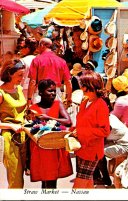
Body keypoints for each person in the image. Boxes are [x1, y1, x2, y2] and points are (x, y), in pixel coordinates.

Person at [28, 79, 73, 188]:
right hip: (39, 149)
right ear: (41, 93)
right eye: (50, 91)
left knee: (52, 181)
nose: (53, 94)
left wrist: (48, 118)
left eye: (54, 91)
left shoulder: (58, 104)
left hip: (54, 148)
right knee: (44, 180)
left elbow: (68, 121)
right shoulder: (33, 108)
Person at [70, 71, 110, 188]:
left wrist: (81, 132)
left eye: (83, 85)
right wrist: (73, 130)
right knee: (87, 183)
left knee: (79, 185)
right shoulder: (85, 102)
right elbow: (82, 123)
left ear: (91, 86)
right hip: (82, 148)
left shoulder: (101, 105)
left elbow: (105, 131)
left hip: (91, 151)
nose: (81, 87)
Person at [93, 98, 128, 186]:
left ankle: (106, 179)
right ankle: (96, 176)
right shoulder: (109, 116)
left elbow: (100, 141)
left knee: (98, 152)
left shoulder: (107, 122)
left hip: (126, 146)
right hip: (118, 142)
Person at [0, 60, 27, 188]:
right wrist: (10, 126)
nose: (22, 79)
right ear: (10, 74)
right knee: (15, 179)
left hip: (24, 136)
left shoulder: (19, 89)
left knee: (23, 176)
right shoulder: (1, 93)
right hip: (10, 138)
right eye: (20, 75)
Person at [27, 38, 72, 106]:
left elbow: (32, 82)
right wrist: (69, 98)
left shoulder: (36, 60)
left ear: (42, 45)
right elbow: (68, 82)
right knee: (54, 115)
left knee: (40, 115)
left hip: (40, 94)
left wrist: (29, 99)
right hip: (56, 93)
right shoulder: (61, 61)